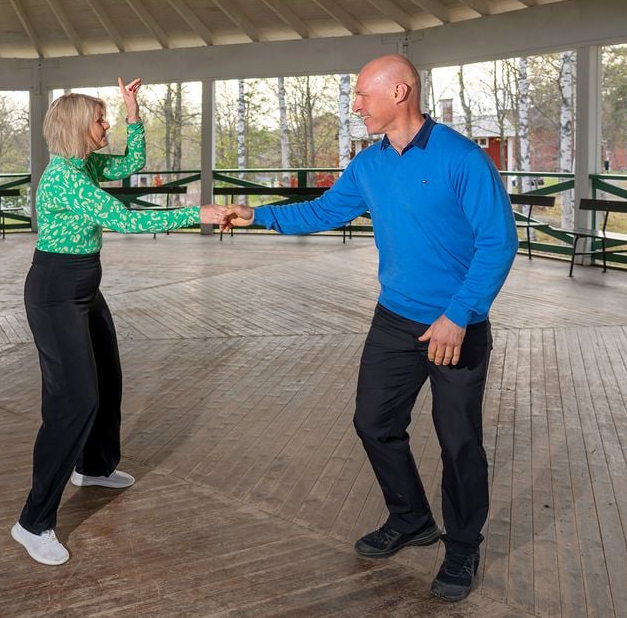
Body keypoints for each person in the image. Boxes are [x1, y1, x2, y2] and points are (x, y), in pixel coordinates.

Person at [220, 55, 518, 602]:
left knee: (459, 443)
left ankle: (462, 546)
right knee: (372, 423)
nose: (355, 104)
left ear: (399, 92)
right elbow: (323, 212)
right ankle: (411, 520)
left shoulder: (461, 158)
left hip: (458, 325)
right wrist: (255, 214)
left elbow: (498, 243)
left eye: (362, 94)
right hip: (395, 319)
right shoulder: (369, 163)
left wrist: (458, 315)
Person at [12, 79, 226, 566]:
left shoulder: (84, 164)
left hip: (85, 287)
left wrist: (133, 111)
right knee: (73, 401)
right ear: (76, 128)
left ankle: (94, 467)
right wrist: (201, 213)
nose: (106, 126)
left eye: (107, 118)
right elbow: (127, 219)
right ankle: (33, 521)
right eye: (101, 119)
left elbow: (131, 163)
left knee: (107, 378)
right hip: (55, 292)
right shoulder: (65, 178)